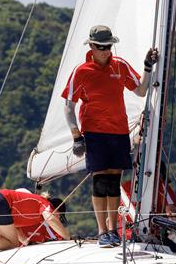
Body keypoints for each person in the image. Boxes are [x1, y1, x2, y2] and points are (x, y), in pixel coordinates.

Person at [62, 25, 158, 248]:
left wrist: (147, 67)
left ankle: (113, 229)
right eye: (101, 47)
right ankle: (102, 231)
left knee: (114, 180)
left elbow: (141, 90)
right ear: (92, 47)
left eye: (109, 46)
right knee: (100, 179)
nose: (106, 51)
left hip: (119, 130)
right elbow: (68, 106)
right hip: (94, 132)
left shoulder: (120, 65)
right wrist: (76, 136)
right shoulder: (81, 71)